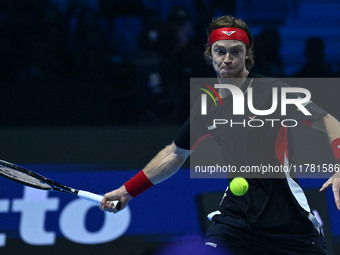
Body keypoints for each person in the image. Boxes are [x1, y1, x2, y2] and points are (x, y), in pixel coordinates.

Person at [100, 15, 340, 254]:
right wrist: (127, 191)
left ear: (247, 54)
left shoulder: (273, 92)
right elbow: (174, 155)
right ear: (210, 54)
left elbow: (328, 120)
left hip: (289, 223)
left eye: (235, 51)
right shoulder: (208, 104)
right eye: (220, 51)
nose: (227, 59)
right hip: (235, 222)